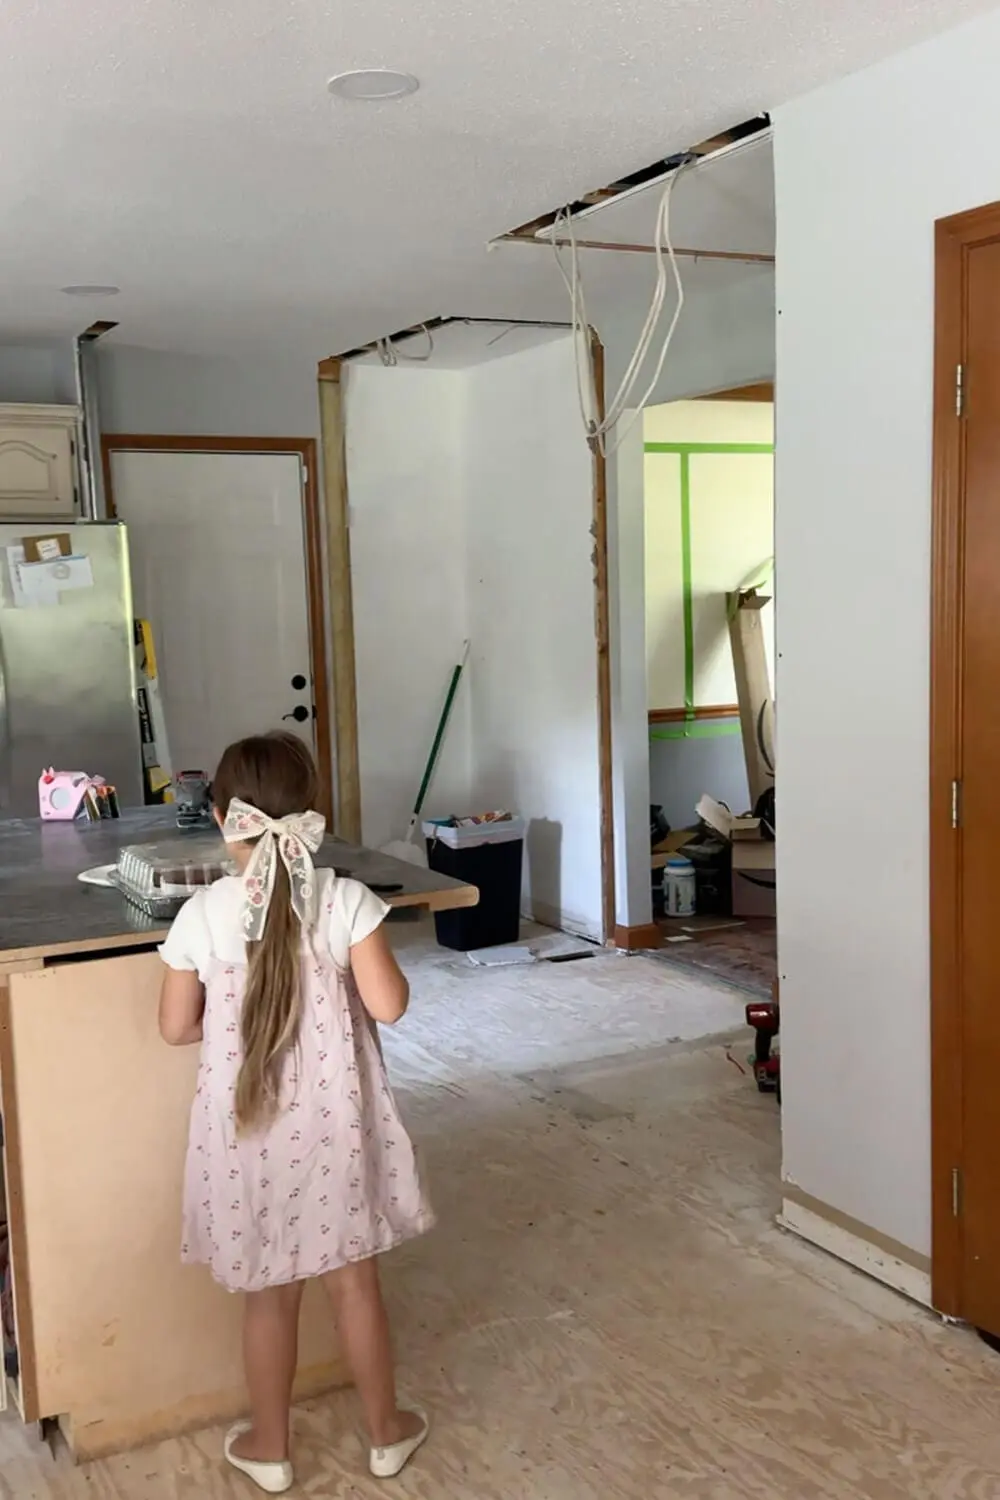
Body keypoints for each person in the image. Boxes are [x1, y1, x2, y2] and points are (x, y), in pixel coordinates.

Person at [158, 731, 434, 1492]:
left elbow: (175, 1027)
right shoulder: (345, 901)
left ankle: (271, 1447)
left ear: (224, 819)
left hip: (248, 1136)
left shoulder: (202, 914)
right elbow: (391, 1006)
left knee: (269, 1298)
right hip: (335, 1130)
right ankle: (385, 1434)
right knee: (355, 1286)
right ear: (311, 814)